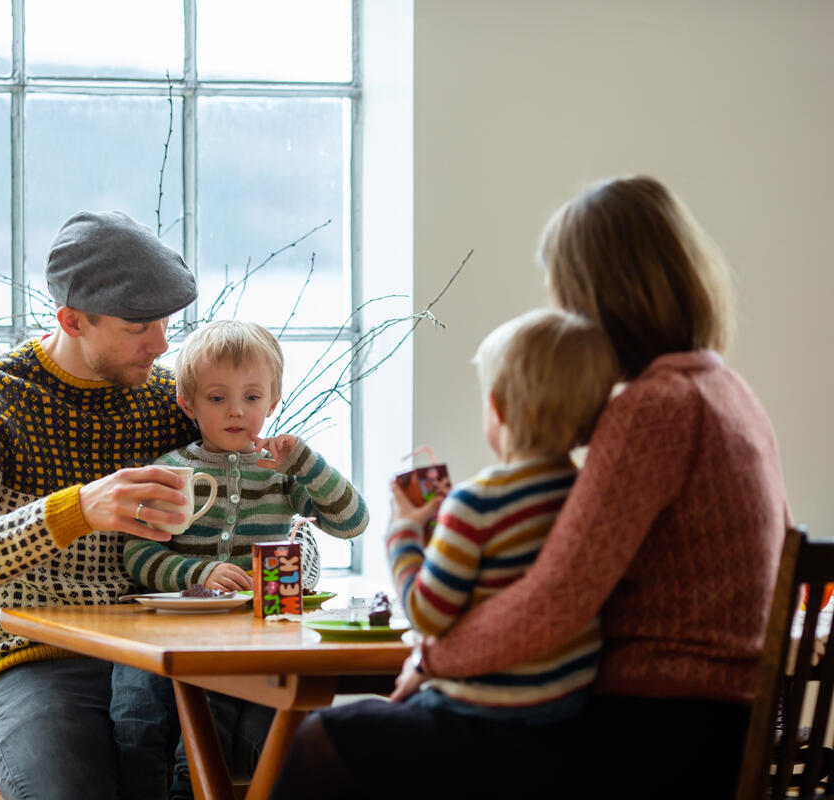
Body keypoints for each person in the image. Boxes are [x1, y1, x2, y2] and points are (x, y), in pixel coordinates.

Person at [269, 175, 792, 800]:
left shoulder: (656, 409)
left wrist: (434, 657)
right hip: (718, 725)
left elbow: (554, 603)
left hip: (660, 734)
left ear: (598, 297)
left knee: (329, 740)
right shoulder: (726, 391)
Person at [0, 210, 209, 800]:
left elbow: (260, 503)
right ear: (71, 319)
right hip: (34, 664)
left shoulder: (169, 403)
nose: (162, 344)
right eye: (138, 327)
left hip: (157, 662)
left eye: (167, 323)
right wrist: (74, 511)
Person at [111, 319, 369, 800]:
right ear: (187, 404)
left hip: (249, 637)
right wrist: (198, 573)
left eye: (252, 398)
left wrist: (306, 462)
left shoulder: (283, 476)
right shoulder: (169, 471)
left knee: (218, 729)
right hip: (164, 630)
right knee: (135, 715)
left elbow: (352, 522)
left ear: (272, 403)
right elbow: (139, 553)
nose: (236, 411)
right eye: (216, 398)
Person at [388, 307, 618, 724]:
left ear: (496, 408)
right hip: (567, 709)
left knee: (331, 738)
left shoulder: (478, 503)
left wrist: (403, 535)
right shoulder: (592, 495)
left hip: (478, 710)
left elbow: (427, 613)